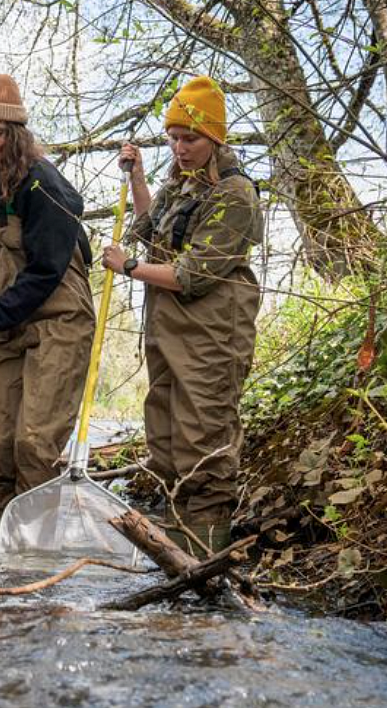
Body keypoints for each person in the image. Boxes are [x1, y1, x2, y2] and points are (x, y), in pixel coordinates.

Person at [102, 75, 263, 556]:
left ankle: (206, 565)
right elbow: (153, 232)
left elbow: (191, 274)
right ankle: (177, 564)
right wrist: (137, 178)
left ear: (215, 138)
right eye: (173, 138)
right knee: (168, 446)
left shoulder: (235, 194)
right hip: (169, 335)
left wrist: (128, 267)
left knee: (204, 449)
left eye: (190, 138)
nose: (180, 148)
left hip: (210, 339)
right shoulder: (182, 182)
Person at [0, 73, 96, 531]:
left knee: (34, 444)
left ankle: (34, 556)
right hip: (10, 323)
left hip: (58, 319)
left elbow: (44, 275)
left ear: (16, 133)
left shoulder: (44, 185)